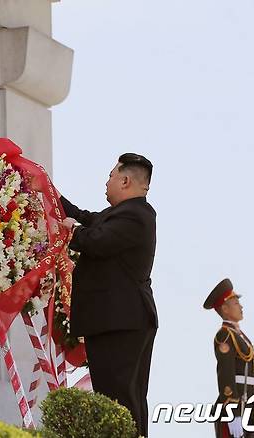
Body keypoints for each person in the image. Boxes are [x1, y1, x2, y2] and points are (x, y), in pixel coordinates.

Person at [60, 153, 158, 437]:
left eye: (111, 176)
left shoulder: (138, 215)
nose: (106, 182)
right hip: (114, 322)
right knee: (114, 398)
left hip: (122, 322)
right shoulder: (119, 214)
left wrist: (72, 233)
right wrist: (48, 192)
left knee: (120, 401)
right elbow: (85, 217)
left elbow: (98, 241)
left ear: (125, 180)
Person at [204, 278, 254, 438]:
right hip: (236, 408)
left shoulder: (239, 335)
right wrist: (232, 413)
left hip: (247, 405)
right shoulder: (225, 335)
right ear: (225, 309)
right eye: (236, 303)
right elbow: (226, 376)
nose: (241, 306)